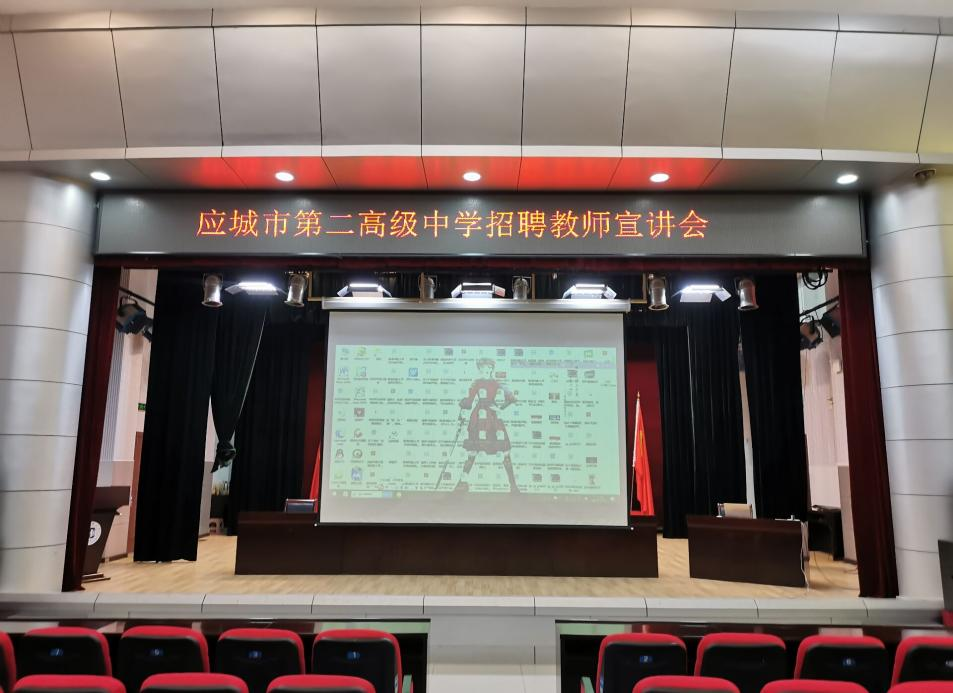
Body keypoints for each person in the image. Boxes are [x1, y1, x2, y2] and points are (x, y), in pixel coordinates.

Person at [455, 358, 518, 492]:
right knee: (472, 451)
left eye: (489, 367)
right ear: (479, 368)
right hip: (478, 418)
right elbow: (469, 401)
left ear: (492, 368)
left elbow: (511, 398)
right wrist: (462, 408)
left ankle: (513, 486)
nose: (486, 369)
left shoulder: (497, 382)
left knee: (504, 450)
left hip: (493, 417)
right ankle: (462, 483)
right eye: (483, 367)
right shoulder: (476, 383)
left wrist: (500, 408)